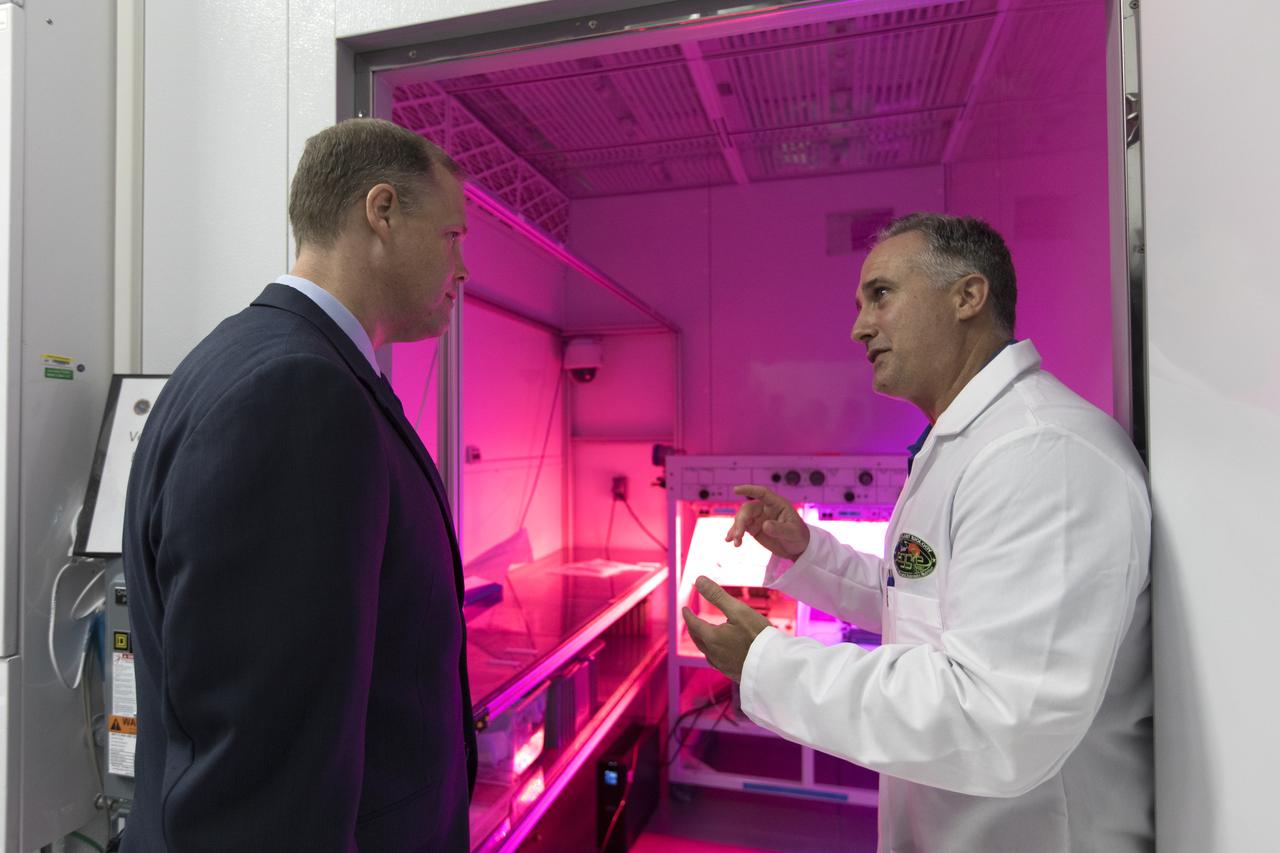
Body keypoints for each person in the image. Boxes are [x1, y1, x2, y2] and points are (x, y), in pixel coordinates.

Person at [684, 213, 1153, 852]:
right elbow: (927, 604)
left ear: (968, 296)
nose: (858, 327)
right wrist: (807, 551)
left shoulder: (1044, 454)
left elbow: (998, 719)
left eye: (880, 294)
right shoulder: (970, 442)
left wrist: (768, 661)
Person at [122, 118, 475, 851]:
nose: (463, 270)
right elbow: (264, 785)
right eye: (452, 238)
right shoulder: (296, 393)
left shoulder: (247, 360)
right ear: (382, 212)